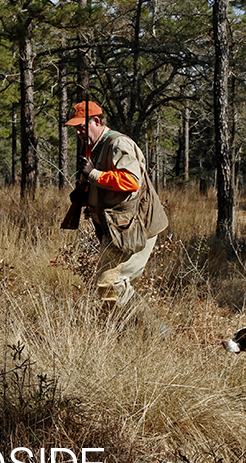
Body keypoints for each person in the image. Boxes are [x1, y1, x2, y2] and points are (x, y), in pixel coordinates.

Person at [64, 100, 168, 308]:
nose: (78, 133)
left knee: (111, 282)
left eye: (81, 127)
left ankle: (154, 330)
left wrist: (94, 174)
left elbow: (131, 182)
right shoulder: (95, 146)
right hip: (118, 227)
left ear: (96, 121)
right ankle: (122, 330)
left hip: (136, 227)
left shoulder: (118, 144)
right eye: (75, 128)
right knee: (108, 285)